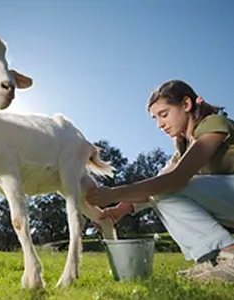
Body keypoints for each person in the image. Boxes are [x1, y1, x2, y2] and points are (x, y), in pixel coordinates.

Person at [87, 79, 234, 282]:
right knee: (161, 187)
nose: (159, 124)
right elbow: (159, 182)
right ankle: (216, 262)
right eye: (155, 118)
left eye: (163, 114)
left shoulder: (213, 124)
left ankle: (231, 257)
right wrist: (117, 211)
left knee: (169, 186)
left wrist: (113, 193)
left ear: (186, 104)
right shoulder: (182, 151)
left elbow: (176, 179)